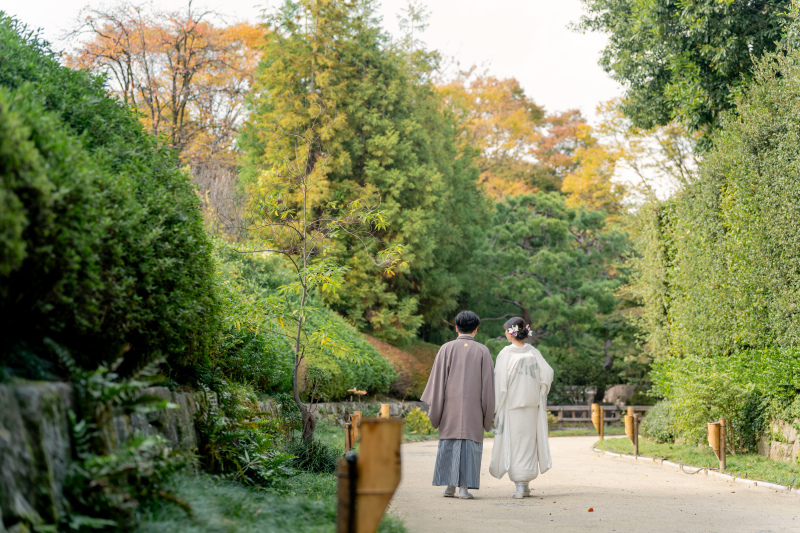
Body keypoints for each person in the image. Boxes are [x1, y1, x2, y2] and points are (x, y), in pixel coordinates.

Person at [421, 310, 495, 499]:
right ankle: (464, 489)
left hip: (449, 408)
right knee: (470, 446)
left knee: (449, 443)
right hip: (474, 410)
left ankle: (449, 487)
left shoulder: (445, 349)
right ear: (476, 330)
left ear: (456, 328)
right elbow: (488, 387)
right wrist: (488, 416)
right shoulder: (483, 351)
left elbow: (437, 383)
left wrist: (436, 409)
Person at [489, 317, 554, 499]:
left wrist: (496, 406)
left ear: (511, 332)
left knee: (517, 443)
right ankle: (524, 484)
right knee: (527, 443)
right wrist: (540, 391)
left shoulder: (505, 354)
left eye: (506, 331)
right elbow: (547, 373)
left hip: (514, 405)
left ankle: (520, 484)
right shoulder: (533, 352)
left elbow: (499, 382)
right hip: (531, 405)